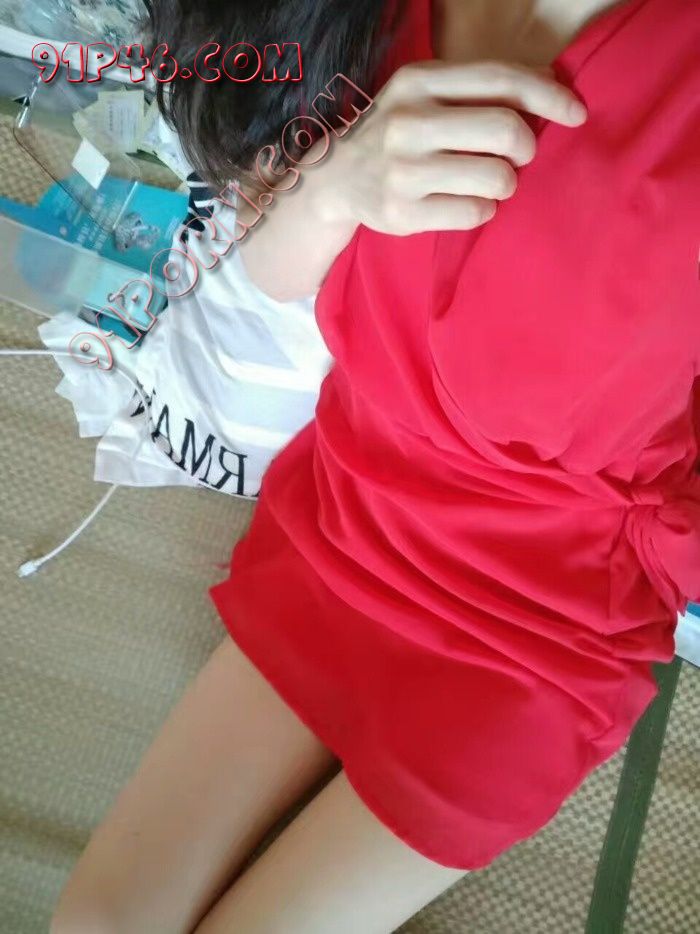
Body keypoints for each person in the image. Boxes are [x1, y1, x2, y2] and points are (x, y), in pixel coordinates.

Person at [52, 0, 700, 931]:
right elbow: (269, 271)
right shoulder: (337, 14)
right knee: (97, 924)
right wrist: (335, 186)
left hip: (538, 622)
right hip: (346, 514)